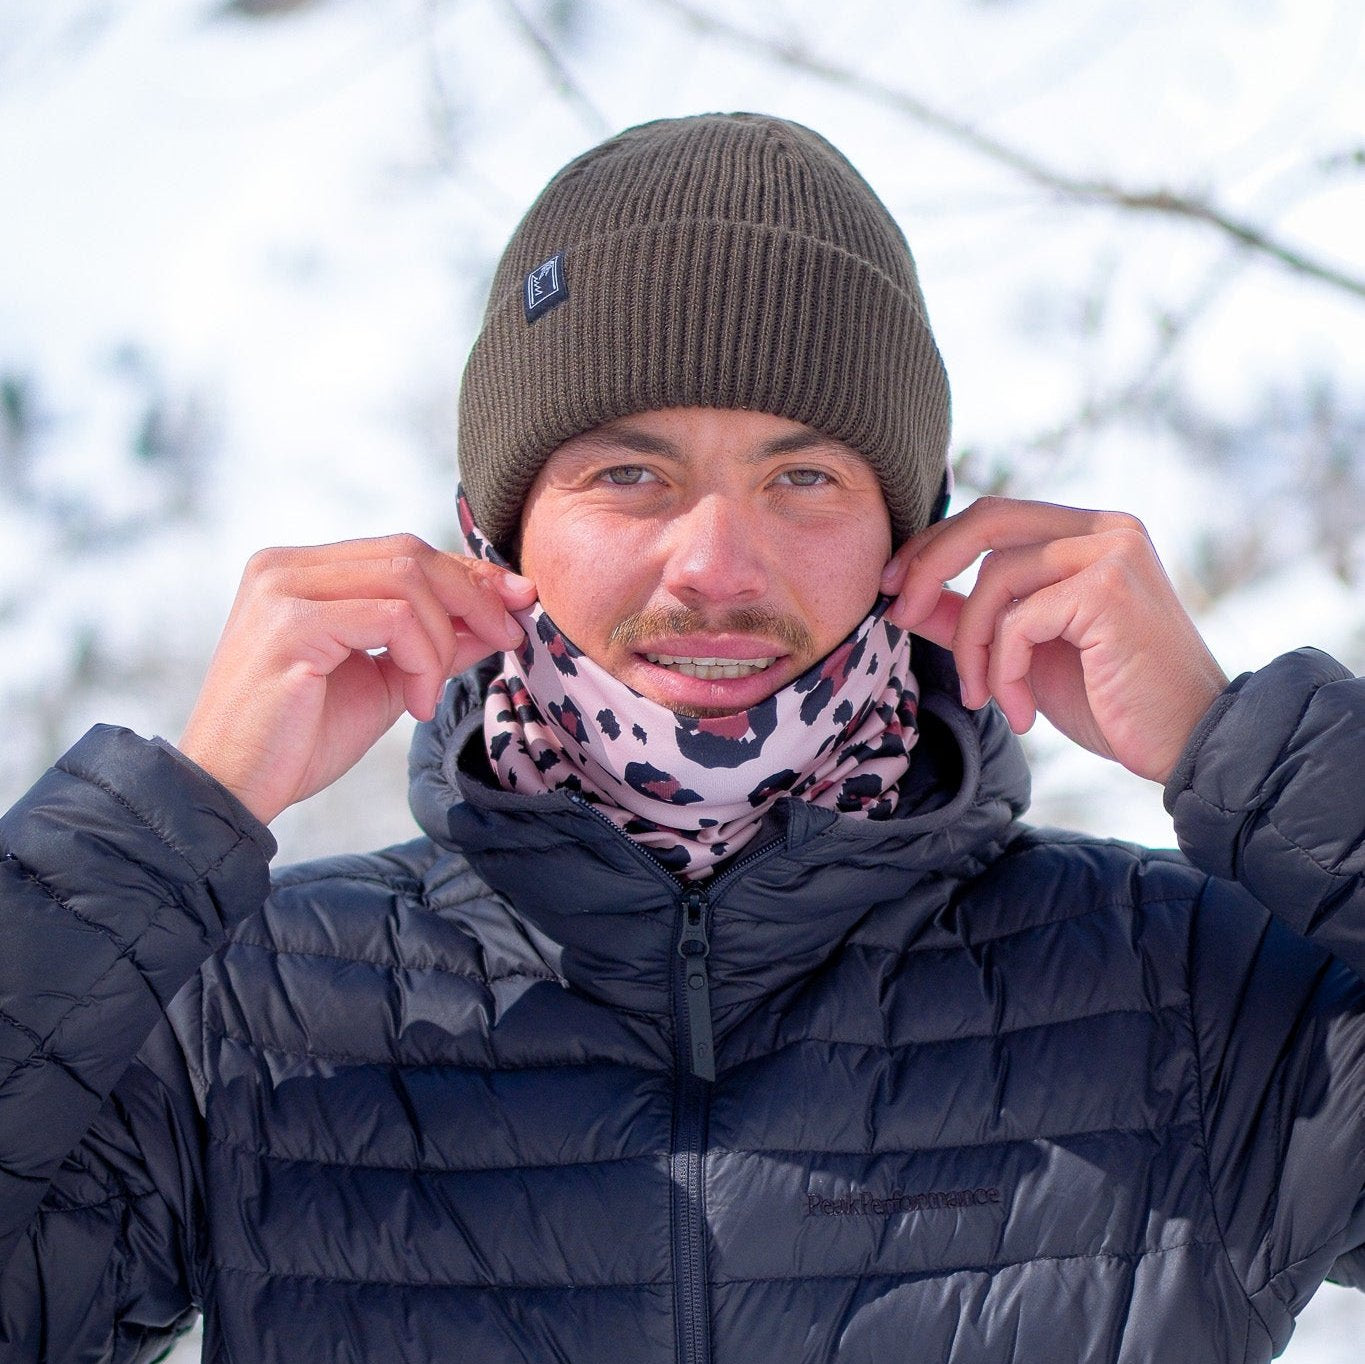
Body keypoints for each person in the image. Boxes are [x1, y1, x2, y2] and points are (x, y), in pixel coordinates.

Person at [1, 112, 1362, 1364]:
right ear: (490, 535)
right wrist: (158, 830)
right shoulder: (254, 1012)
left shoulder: (1189, 996)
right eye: (629, 475)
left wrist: (1249, 750)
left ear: (917, 537)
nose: (714, 564)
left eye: (803, 475)